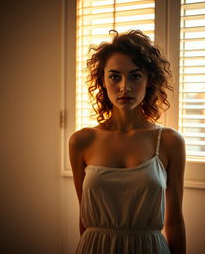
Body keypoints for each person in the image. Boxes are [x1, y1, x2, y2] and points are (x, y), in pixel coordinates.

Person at [69, 29, 186, 254]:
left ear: (149, 79)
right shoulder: (81, 141)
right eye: (115, 76)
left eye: (135, 75)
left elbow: (175, 222)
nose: (125, 87)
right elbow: (84, 221)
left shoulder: (170, 141)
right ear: (102, 80)